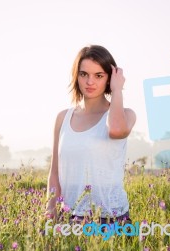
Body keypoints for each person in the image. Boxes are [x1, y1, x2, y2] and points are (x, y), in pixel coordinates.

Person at [45, 45, 136, 225]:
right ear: (76, 76)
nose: (90, 82)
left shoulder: (127, 115)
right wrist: (50, 213)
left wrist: (117, 90)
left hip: (110, 219)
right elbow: (55, 172)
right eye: (84, 74)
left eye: (99, 75)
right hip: (68, 219)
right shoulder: (63, 118)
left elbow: (116, 130)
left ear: (110, 78)